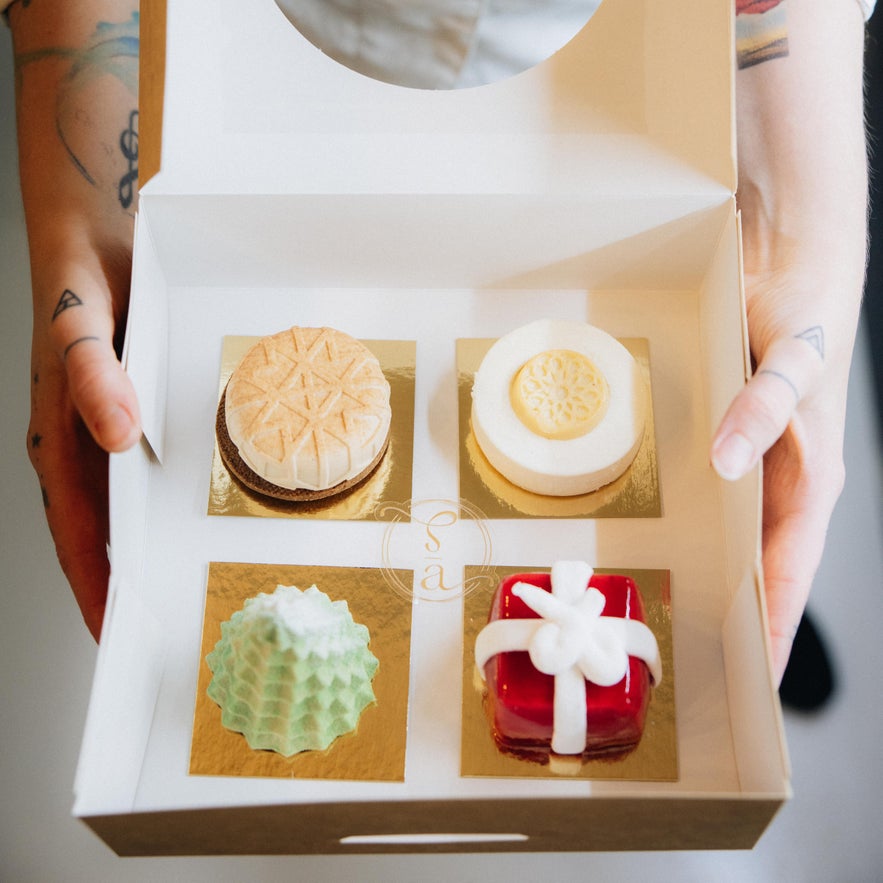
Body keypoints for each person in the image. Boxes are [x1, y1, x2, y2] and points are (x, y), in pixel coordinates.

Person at [5, 0, 871, 687]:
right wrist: (87, 163)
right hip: (246, 69)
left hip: (634, 88)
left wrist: (793, 204)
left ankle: (718, 574)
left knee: (741, 464)